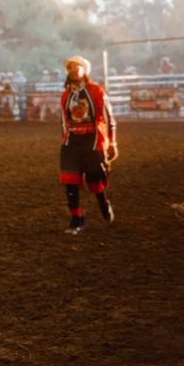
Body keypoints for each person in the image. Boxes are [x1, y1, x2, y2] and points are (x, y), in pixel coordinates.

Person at [60, 55, 117, 235]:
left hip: (93, 140)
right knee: (70, 181)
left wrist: (112, 143)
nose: (74, 70)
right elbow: (64, 121)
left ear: (85, 71)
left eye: (77, 67)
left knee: (95, 179)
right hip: (72, 141)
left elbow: (108, 119)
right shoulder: (66, 95)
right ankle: (76, 219)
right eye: (70, 68)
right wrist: (66, 139)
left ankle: (103, 202)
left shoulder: (96, 91)